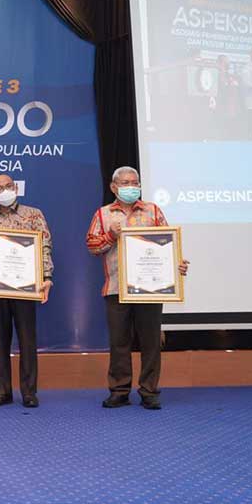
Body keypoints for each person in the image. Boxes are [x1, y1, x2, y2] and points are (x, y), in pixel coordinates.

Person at [86, 166, 189, 410]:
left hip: (151, 288)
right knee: (119, 342)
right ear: (113, 187)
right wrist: (111, 236)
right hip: (116, 288)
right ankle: (120, 390)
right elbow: (92, 246)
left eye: (135, 182)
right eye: (125, 183)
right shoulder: (103, 214)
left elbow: (168, 243)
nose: (131, 186)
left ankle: (149, 390)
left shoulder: (153, 211)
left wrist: (177, 264)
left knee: (151, 342)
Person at [0, 174, 53, 408]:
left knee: (27, 341)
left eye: (8, 186)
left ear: (15, 187)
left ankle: (29, 392)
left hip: (26, 288)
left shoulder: (33, 214)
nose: (4, 191)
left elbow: (44, 247)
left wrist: (47, 277)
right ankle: (2, 392)